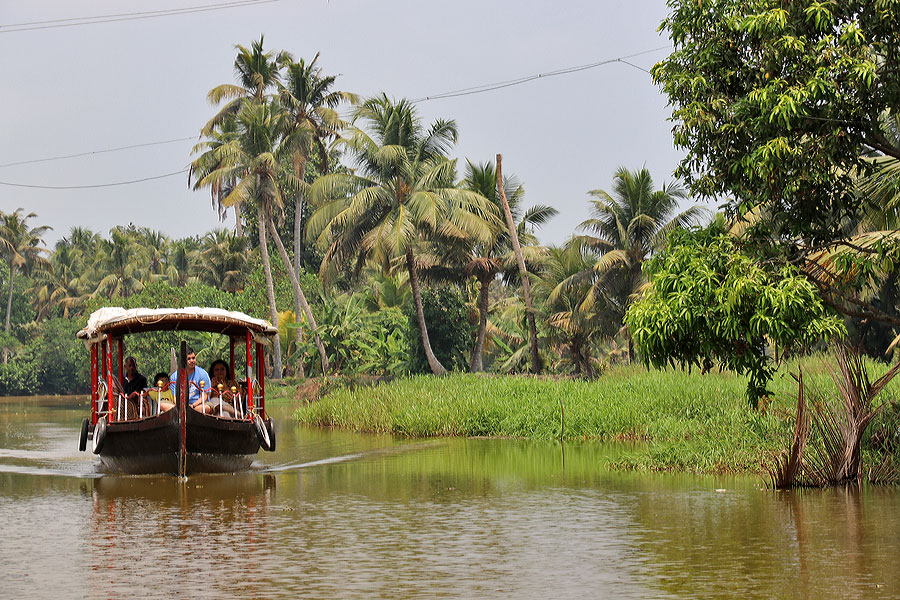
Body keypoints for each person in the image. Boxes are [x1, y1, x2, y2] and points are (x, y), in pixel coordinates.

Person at [169, 347, 212, 413]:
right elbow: (175, 397)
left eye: (193, 358)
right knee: (162, 404)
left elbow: (205, 396)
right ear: (183, 361)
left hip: (198, 406)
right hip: (180, 407)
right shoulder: (174, 377)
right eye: (188, 359)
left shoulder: (203, 374)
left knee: (206, 408)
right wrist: (181, 407)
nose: (192, 361)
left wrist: (192, 406)